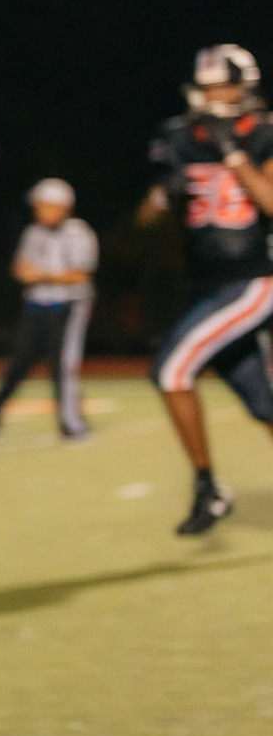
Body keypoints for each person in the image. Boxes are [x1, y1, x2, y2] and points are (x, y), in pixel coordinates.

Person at [138, 44, 273, 535]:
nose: (216, 95)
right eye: (209, 86)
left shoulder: (264, 133)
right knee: (264, 405)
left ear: (245, 87)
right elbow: (146, 219)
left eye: (225, 86)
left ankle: (207, 488)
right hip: (206, 285)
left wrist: (232, 153)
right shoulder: (179, 136)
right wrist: (163, 195)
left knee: (171, 370)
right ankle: (210, 492)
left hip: (255, 278)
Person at [0, 178, 96, 443]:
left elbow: (79, 275)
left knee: (62, 365)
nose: (39, 210)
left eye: (44, 205)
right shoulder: (33, 232)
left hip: (67, 307)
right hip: (35, 307)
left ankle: (72, 424)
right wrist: (48, 276)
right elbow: (20, 270)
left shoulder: (78, 233)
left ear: (62, 206)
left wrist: (42, 275)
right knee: (17, 365)